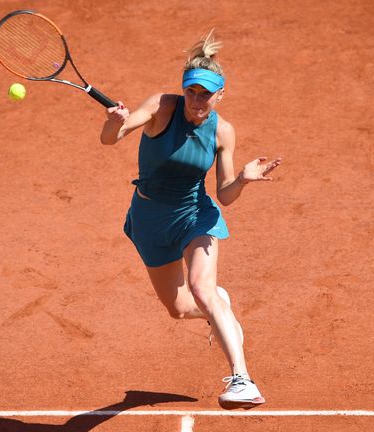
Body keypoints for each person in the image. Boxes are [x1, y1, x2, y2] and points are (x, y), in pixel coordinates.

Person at [99, 30, 281, 410]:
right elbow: (111, 139)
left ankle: (242, 380)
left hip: (194, 214)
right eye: (192, 92)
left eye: (206, 94)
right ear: (183, 91)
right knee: (180, 308)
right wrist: (114, 120)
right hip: (149, 218)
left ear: (220, 95)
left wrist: (244, 180)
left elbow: (225, 195)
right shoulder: (162, 107)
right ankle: (220, 307)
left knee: (200, 286)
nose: (198, 100)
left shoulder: (223, 132)